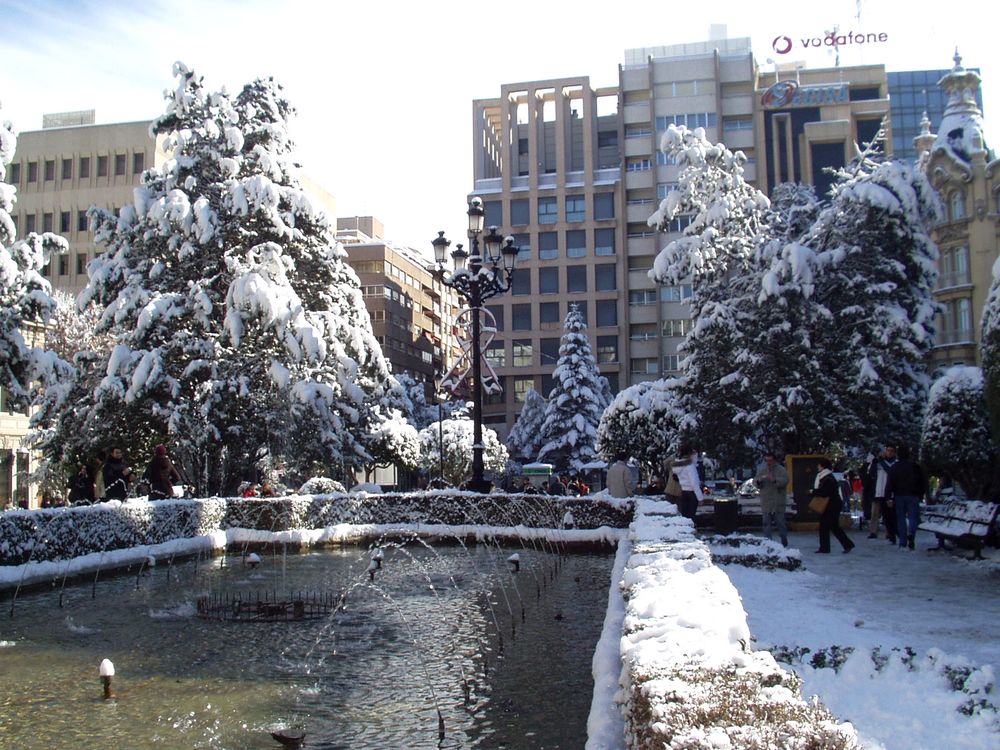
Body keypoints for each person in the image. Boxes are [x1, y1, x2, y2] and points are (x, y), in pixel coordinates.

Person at [885, 445, 926, 550]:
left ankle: (902, 541)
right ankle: (911, 535)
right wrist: (921, 494)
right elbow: (922, 481)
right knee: (913, 518)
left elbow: (890, 483)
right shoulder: (915, 466)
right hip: (913, 495)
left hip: (899, 495)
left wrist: (888, 496)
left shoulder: (895, 467)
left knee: (901, 519)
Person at [813, 457, 855, 554]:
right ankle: (845, 544)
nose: (817, 467)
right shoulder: (828, 477)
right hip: (831, 505)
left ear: (822, 466)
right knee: (832, 526)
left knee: (828, 526)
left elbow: (825, 492)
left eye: (819, 465)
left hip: (831, 506)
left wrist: (814, 492)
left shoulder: (827, 478)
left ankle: (826, 547)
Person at [754, 451, 789, 546]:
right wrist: (758, 481)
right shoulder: (763, 470)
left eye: (770, 460)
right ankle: (768, 542)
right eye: (766, 461)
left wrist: (774, 479)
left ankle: (784, 540)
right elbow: (755, 481)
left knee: (780, 523)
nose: (768, 463)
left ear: (774, 460)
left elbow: (785, 481)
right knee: (766, 523)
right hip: (766, 501)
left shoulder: (781, 470)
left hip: (778, 502)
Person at [873, 445, 899, 543]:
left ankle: (895, 534)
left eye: (891, 451)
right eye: (887, 450)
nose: (889, 453)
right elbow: (872, 473)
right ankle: (891, 535)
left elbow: (890, 470)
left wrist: (881, 461)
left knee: (893, 515)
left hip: (891, 493)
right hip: (880, 491)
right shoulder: (879, 462)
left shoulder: (895, 463)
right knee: (886, 516)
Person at [672, 446, 704, 521]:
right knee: (691, 516)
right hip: (692, 493)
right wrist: (700, 498)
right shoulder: (690, 466)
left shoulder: (679, 465)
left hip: (684, 491)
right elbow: (694, 483)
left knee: (685, 516)